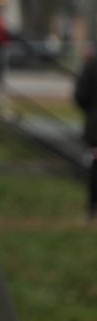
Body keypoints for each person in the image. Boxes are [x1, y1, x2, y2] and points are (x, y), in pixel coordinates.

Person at [73, 48, 97, 222]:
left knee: (95, 166)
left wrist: (91, 112)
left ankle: (92, 209)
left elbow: (80, 96)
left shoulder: (91, 66)